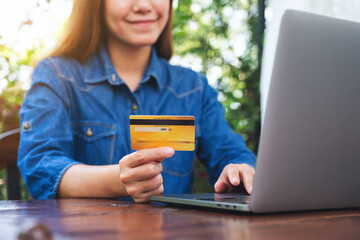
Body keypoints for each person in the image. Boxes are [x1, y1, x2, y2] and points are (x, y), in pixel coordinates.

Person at [18, 0, 256, 203]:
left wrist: (239, 170)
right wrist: (116, 180)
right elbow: (40, 165)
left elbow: (231, 153)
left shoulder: (194, 87)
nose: (143, 5)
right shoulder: (56, 76)